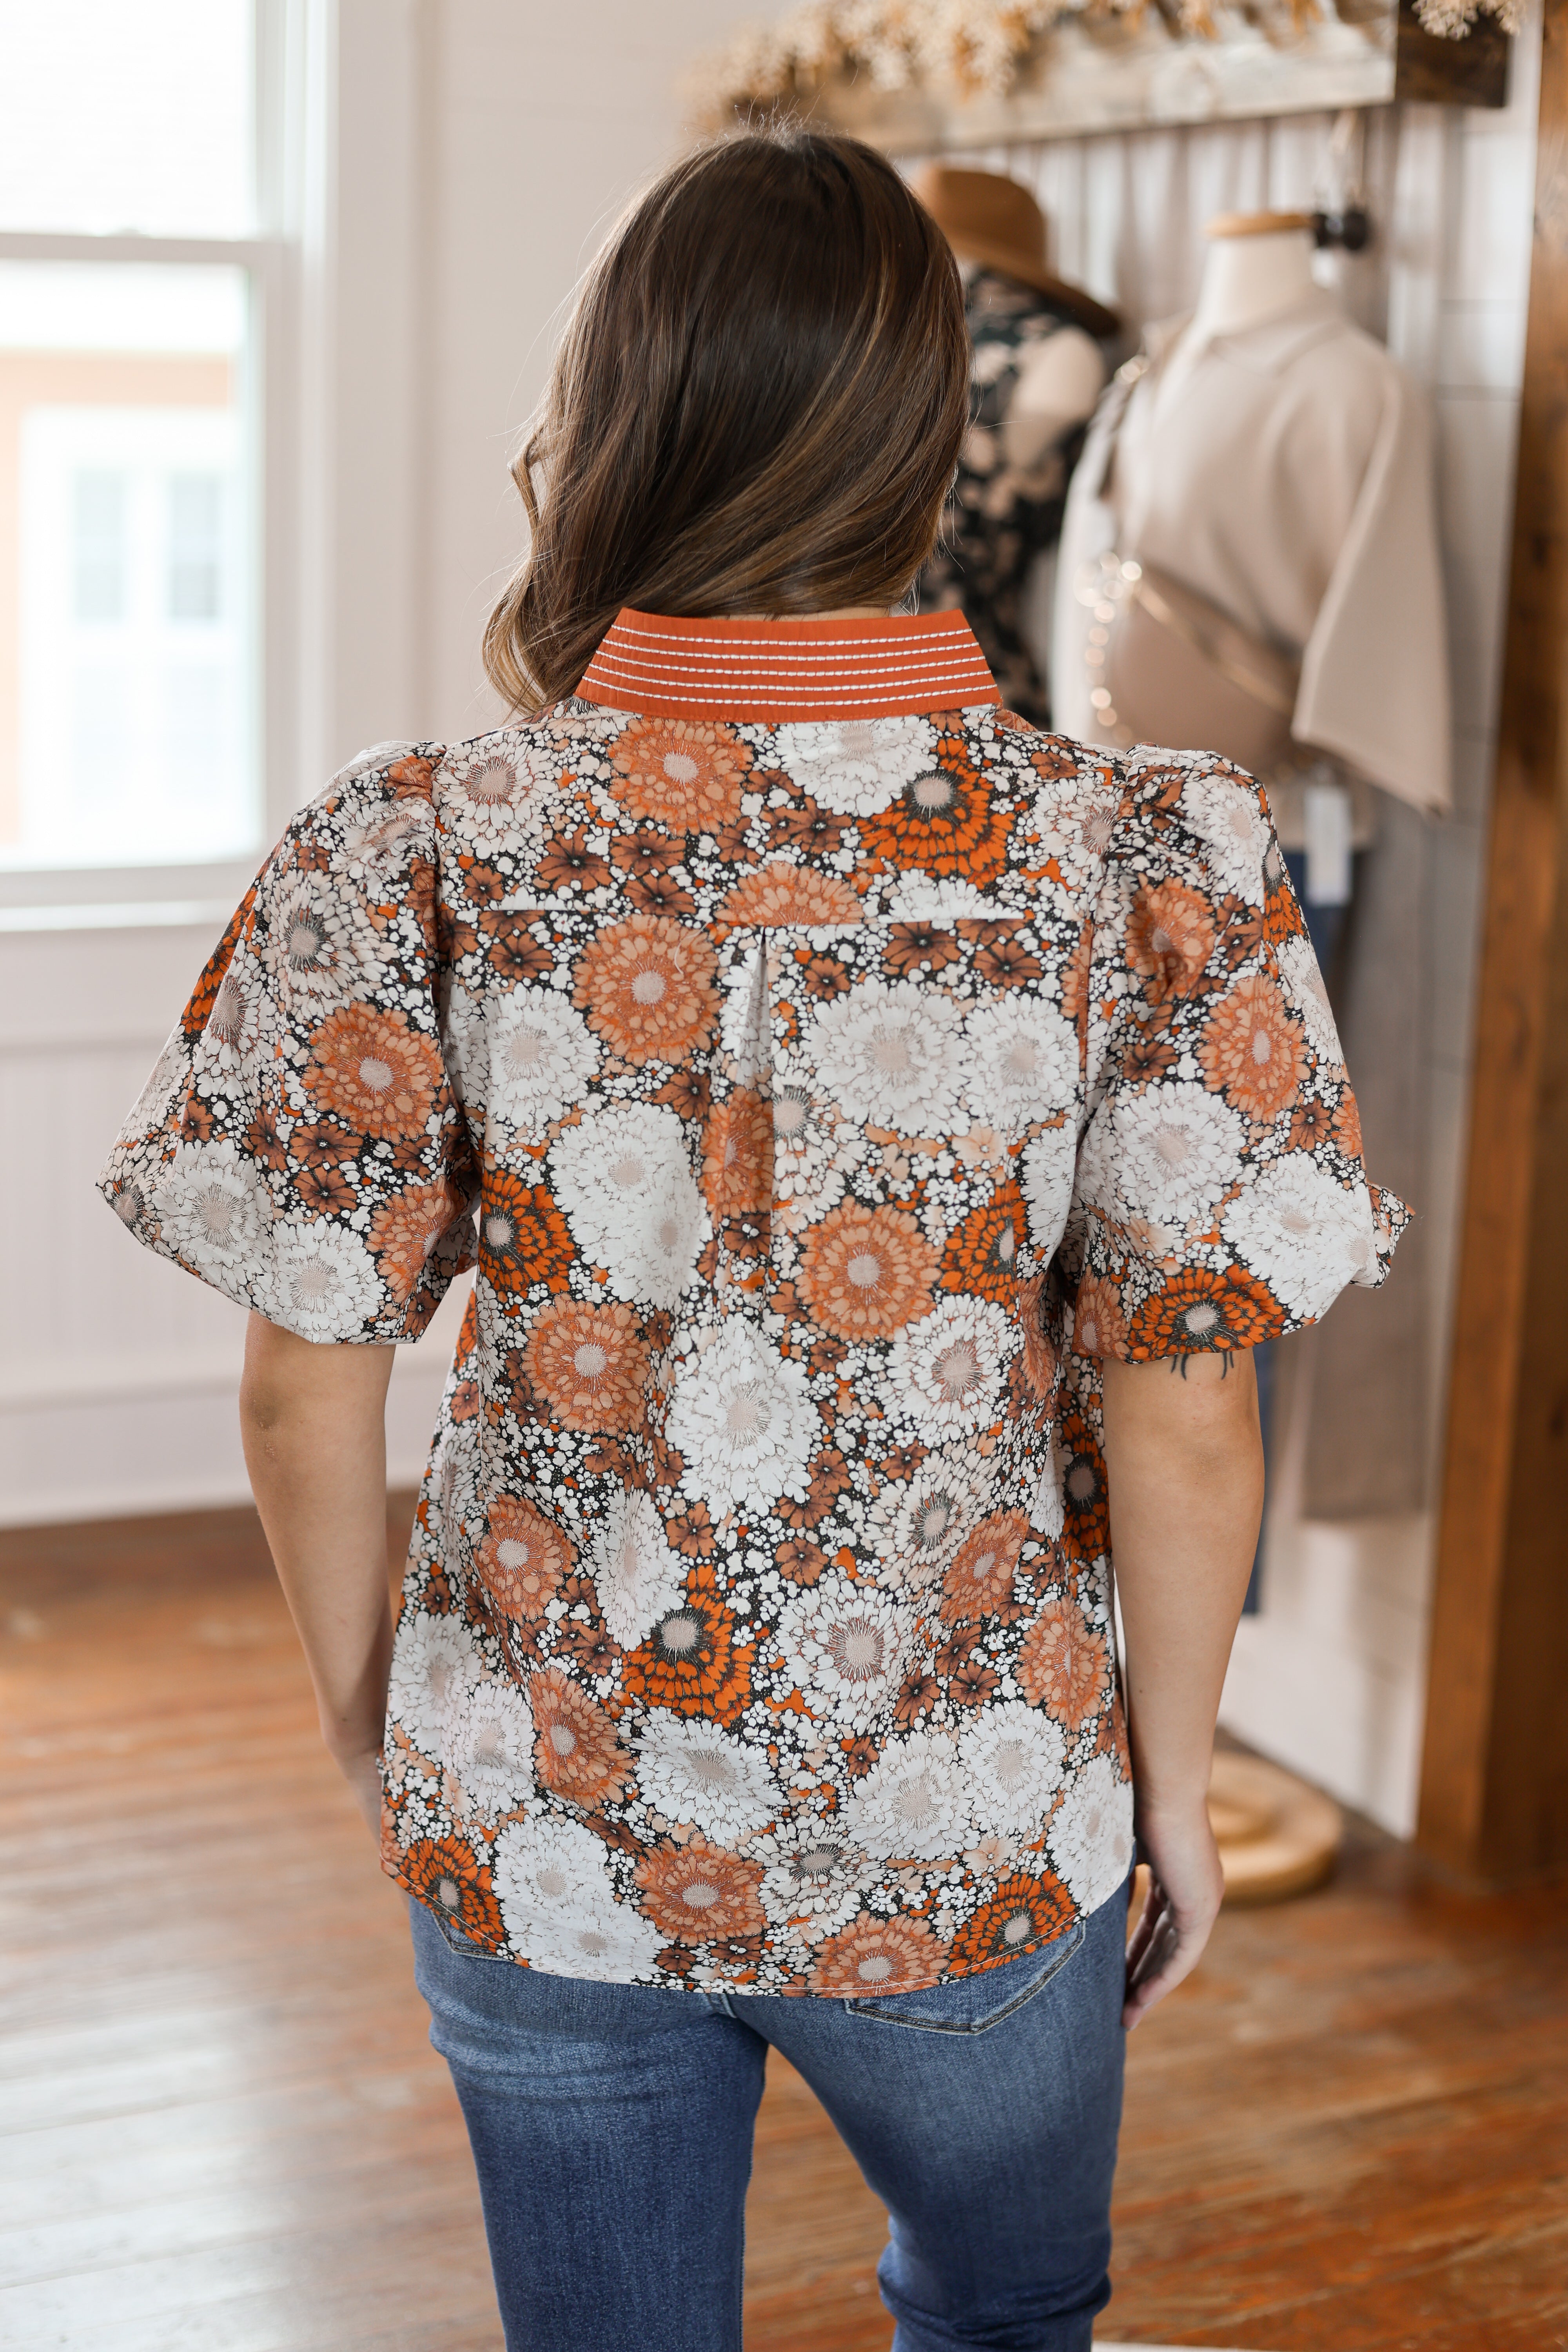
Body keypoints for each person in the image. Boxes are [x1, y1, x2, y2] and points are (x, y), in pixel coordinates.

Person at [100, 128, 1404, 2352]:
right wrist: (1175, 1797)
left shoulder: (420, 839)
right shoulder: (1141, 855)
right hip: (972, 1820)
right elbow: (1185, 1399)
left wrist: (372, 1716)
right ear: (924, 429)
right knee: (1002, 2320)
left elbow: (305, 1376)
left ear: (613, 411)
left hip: (546, 1810)